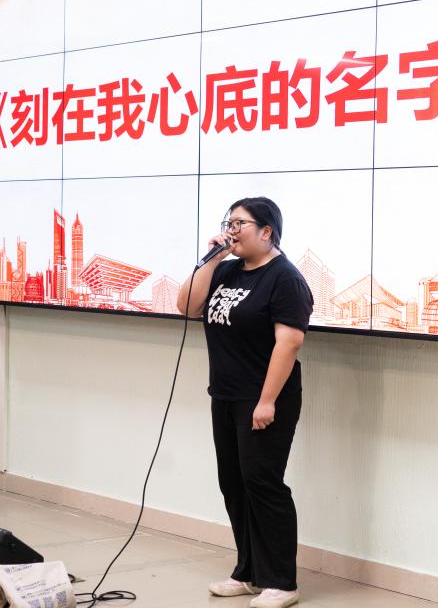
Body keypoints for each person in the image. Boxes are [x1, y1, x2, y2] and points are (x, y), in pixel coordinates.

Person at [177, 196, 313, 608]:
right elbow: (186, 306)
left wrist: (267, 401)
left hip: (265, 399)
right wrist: (211, 259)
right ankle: (250, 572)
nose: (231, 231)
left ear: (266, 231)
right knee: (234, 484)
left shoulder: (285, 279)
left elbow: (289, 342)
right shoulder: (226, 269)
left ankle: (282, 582)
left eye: (240, 223)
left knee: (263, 485)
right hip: (225, 395)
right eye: (228, 223)